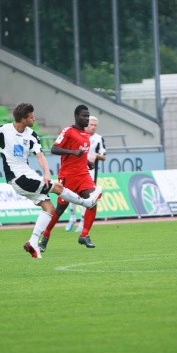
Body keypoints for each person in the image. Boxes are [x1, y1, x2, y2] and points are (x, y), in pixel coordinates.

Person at [0, 102, 102, 259]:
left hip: (28, 175)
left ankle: (33, 242)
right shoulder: (4, 130)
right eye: (31, 116)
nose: (34, 118)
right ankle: (86, 203)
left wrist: (46, 173)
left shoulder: (32, 135)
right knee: (57, 188)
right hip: (18, 177)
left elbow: (40, 155)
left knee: (49, 209)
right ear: (23, 119)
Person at [39, 105, 103, 252]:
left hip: (83, 175)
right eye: (84, 116)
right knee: (60, 208)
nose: (86, 119)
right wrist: (73, 152)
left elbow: (81, 153)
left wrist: (87, 162)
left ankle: (84, 234)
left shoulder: (86, 134)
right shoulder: (68, 131)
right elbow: (54, 149)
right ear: (76, 116)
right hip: (68, 177)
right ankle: (45, 236)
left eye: (88, 116)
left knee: (93, 201)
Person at [66, 115, 106, 233]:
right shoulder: (79, 136)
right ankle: (72, 218)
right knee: (71, 195)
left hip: (90, 173)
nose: (93, 127)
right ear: (86, 125)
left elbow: (104, 156)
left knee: (88, 198)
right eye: (91, 125)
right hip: (76, 171)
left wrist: (97, 156)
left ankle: (82, 222)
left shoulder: (99, 139)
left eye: (95, 125)